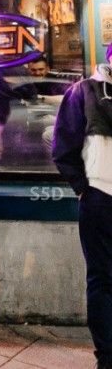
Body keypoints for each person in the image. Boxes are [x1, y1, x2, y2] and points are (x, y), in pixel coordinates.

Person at [52, 42, 112, 369]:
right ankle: (107, 356)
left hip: (98, 197)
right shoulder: (83, 93)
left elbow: (63, 148)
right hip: (100, 197)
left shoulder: (82, 93)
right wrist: (83, 189)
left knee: (102, 280)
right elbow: (64, 148)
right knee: (103, 279)